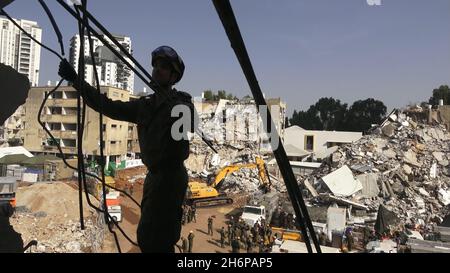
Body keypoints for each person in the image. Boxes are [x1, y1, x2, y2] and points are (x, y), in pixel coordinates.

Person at [59, 46, 196, 253]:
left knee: (162, 237)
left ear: (174, 76)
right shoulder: (144, 106)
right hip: (154, 176)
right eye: (156, 66)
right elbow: (107, 105)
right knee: (146, 235)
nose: (158, 70)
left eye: (165, 67)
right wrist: (76, 81)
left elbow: (186, 132)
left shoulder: (181, 104)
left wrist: (177, 107)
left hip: (171, 176)